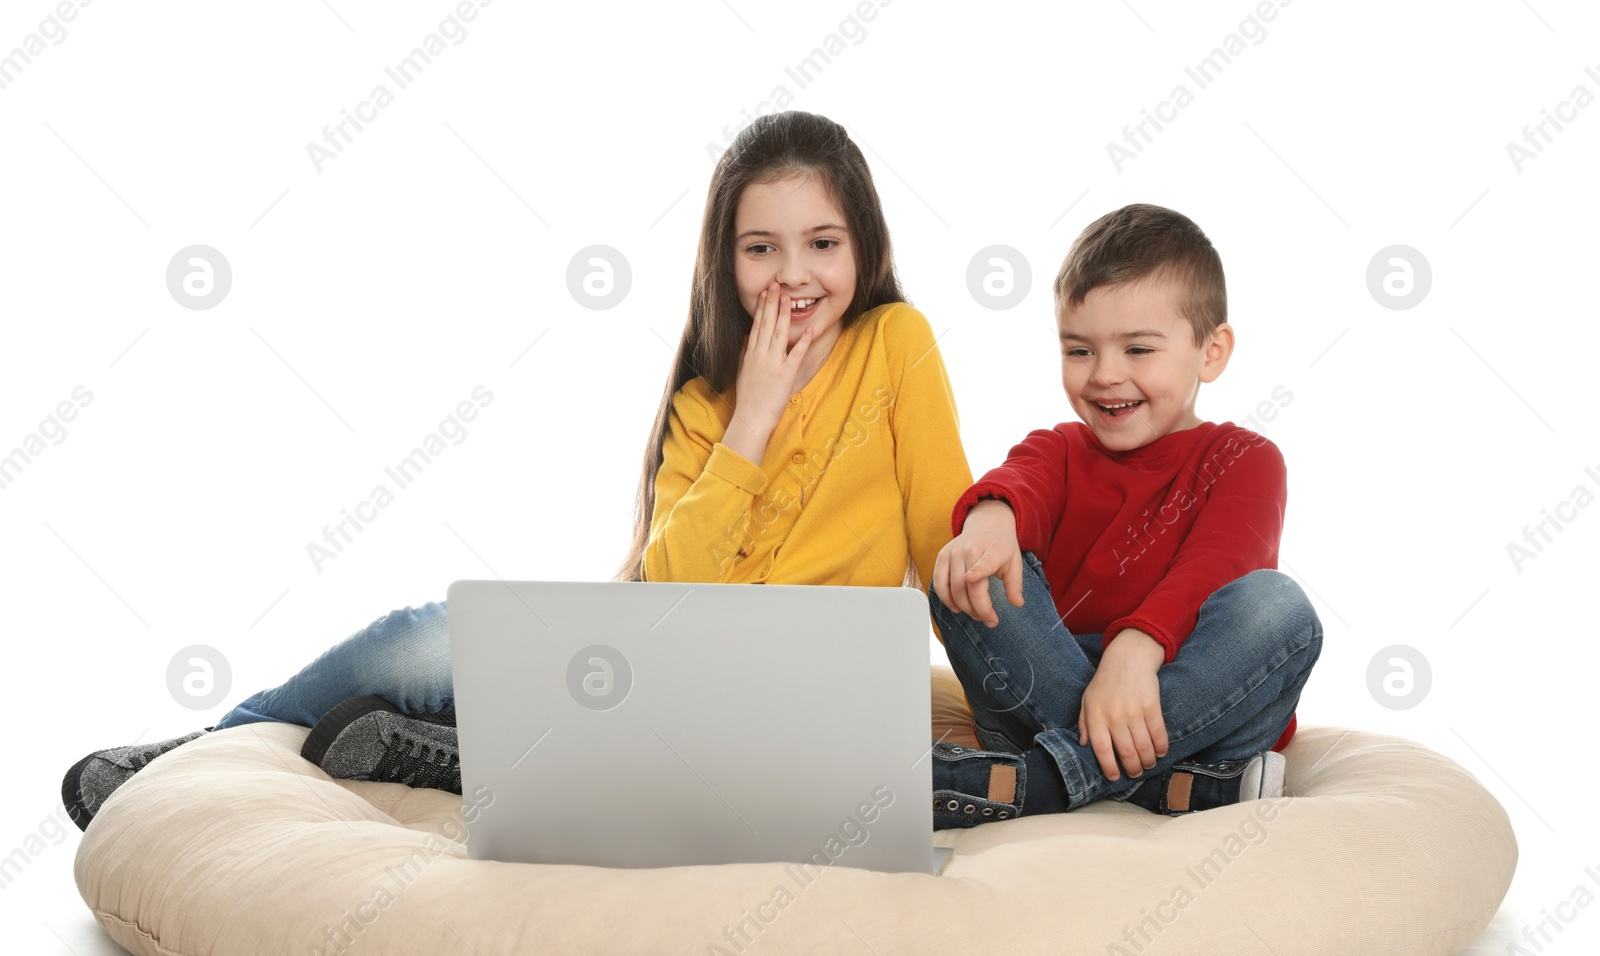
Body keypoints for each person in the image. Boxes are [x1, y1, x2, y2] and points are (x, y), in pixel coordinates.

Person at [61, 110, 976, 828]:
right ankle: (205, 750)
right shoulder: (706, 401)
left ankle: (448, 750)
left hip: (795, 707)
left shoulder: (899, 343)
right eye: (760, 248)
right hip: (653, 669)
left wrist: (1005, 705)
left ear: (864, 247)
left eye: (823, 243)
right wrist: (756, 415)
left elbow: (948, 541)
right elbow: (675, 589)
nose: (793, 276)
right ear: (724, 260)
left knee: (647, 743)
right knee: (422, 634)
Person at [921, 203, 1323, 829]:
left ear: (1211, 352)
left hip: (1187, 693)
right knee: (964, 575)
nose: (1106, 375)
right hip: (1054, 683)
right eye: (1079, 350)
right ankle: (1167, 790)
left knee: (1280, 609)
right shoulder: (1057, 446)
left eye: (1138, 348)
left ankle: (1041, 784)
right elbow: (1017, 483)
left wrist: (1135, 652)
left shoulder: (1244, 458)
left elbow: (1216, 566)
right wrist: (990, 523)